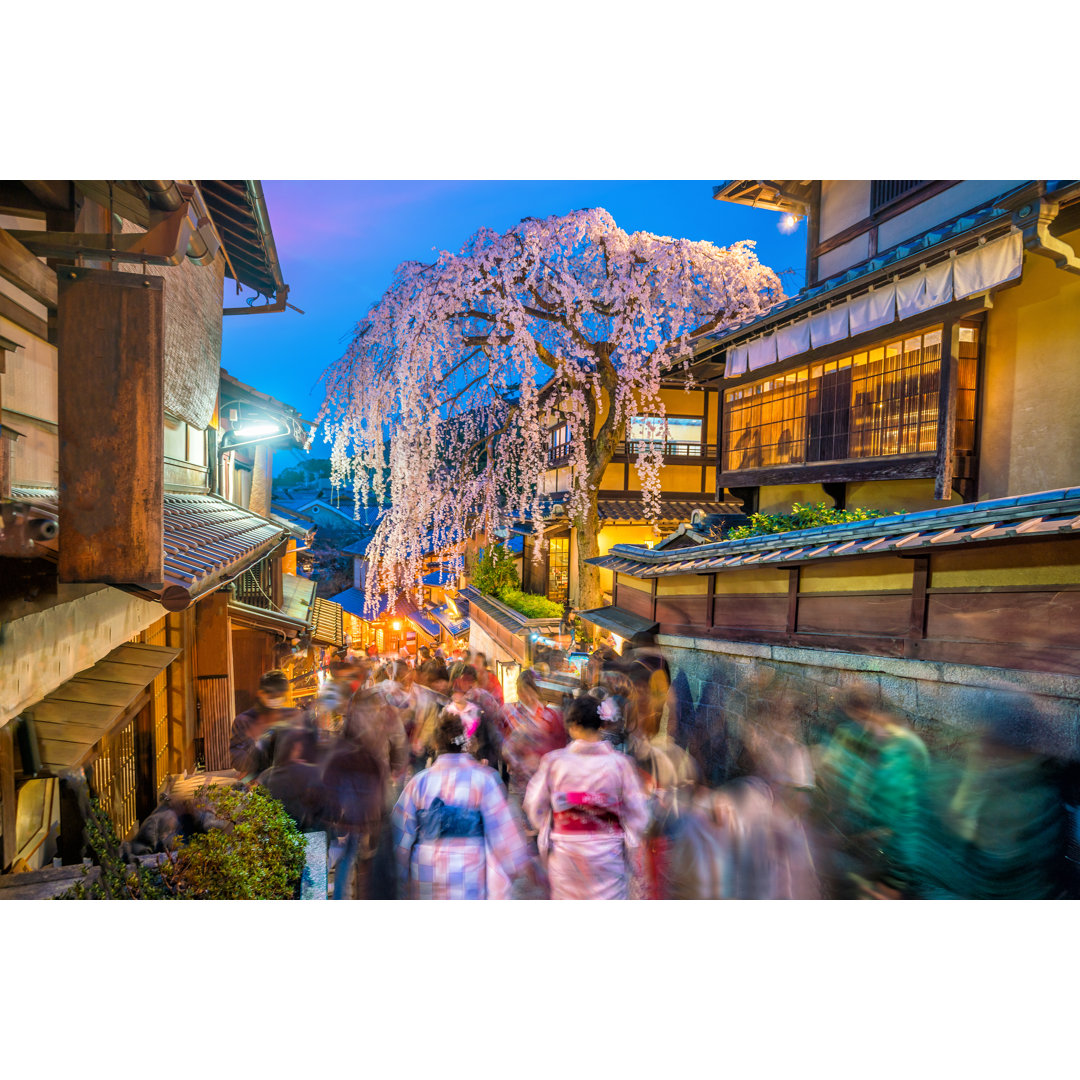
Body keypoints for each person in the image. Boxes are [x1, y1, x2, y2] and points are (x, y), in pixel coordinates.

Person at [391, 710, 529, 899]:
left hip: (426, 869)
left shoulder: (419, 782)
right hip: (470, 868)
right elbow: (503, 833)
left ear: (437, 744)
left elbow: (399, 835)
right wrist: (516, 864)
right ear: (466, 743)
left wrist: (399, 874)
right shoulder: (483, 779)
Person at [523, 694, 649, 900]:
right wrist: (627, 837)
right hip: (608, 856)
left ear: (571, 726)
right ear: (601, 725)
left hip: (566, 853)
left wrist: (547, 825)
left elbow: (534, 805)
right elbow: (638, 813)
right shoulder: (619, 764)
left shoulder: (554, 762)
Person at [501, 669, 568, 800]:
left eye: (529, 691)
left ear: (537, 691)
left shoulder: (551, 715)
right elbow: (503, 740)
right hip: (519, 776)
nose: (526, 696)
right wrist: (510, 757)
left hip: (544, 775)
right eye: (522, 691)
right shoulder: (509, 711)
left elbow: (559, 746)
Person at [229, 670, 304, 781]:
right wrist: (260, 744)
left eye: (280, 695)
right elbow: (237, 760)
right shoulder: (244, 721)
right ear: (260, 693)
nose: (275, 699)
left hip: (288, 780)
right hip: (255, 783)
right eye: (271, 695)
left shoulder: (293, 716)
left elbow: (304, 751)